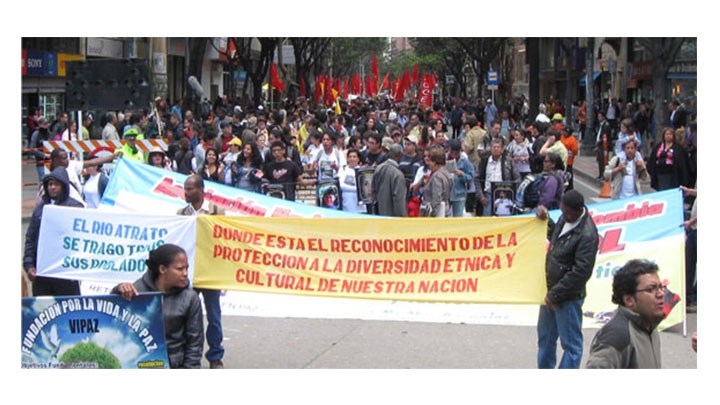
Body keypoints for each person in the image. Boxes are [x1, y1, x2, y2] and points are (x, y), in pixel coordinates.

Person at [112, 243, 204, 369]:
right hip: (138, 364)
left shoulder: (190, 298)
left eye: (186, 268)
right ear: (162, 269)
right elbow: (111, 317)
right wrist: (119, 290)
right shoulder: (137, 292)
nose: (185, 273)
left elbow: (195, 344)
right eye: (179, 269)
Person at [535, 190, 599, 369]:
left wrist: (555, 295)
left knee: (571, 345)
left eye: (568, 213)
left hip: (567, 296)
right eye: (562, 212)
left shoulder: (587, 234)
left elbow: (581, 272)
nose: (565, 215)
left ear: (579, 210)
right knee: (545, 339)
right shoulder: (567, 218)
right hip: (550, 290)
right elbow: (556, 238)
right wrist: (546, 221)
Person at [177, 175, 225, 369]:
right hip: (188, 273)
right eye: (185, 188)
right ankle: (189, 355)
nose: (186, 192)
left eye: (190, 189)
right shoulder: (181, 213)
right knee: (187, 315)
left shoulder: (216, 211)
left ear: (200, 189)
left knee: (213, 315)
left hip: (210, 271)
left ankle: (215, 356)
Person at [585, 259, 664, 369]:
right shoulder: (617, 336)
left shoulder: (649, 326)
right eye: (651, 289)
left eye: (661, 287)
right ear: (629, 300)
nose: (661, 294)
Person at [24, 167, 84, 296]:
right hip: (42, 274)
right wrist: (29, 265)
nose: (52, 187)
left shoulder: (75, 208)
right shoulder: (40, 209)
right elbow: (30, 238)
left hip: (65, 274)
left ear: (64, 186)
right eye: (50, 184)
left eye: (56, 184)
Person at [473, 138, 521, 217]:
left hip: (504, 195)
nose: (496, 149)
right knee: (488, 222)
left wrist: (511, 193)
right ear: (491, 149)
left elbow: (517, 178)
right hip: (488, 195)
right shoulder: (484, 162)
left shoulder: (509, 161)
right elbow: (477, 179)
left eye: (498, 147)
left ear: (502, 149)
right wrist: (481, 196)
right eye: (494, 147)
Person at [647, 126, 690, 191]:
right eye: (666, 134)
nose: (668, 136)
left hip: (672, 174)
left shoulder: (678, 148)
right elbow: (653, 159)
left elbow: (682, 162)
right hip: (660, 174)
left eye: (670, 134)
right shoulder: (658, 146)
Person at [371, 143, 407, 217]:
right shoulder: (398, 175)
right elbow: (399, 199)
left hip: (379, 214)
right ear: (400, 155)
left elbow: (373, 191)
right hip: (393, 218)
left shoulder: (378, 168)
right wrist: (402, 217)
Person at [420, 145, 452, 217]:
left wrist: (433, 214)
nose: (428, 164)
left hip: (436, 214)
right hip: (446, 210)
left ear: (435, 162)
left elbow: (436, 198)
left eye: (430, 161)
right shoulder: (446, 173)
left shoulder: (437, 176)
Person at [446, 139, 474, 217]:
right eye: (452, 152)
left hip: (459, 195)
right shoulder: (445, 158)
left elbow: (471, 177)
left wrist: (462, 174)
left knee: (457, 217)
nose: (453, 155)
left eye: (456, 153)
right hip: (446, 194)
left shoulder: (464, 161)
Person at [681, 185, 697, 311]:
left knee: (690, 263)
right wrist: (690, 192)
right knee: (688, 264)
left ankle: (693, 298)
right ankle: (689, 297)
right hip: (694, 229)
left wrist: (690, 222)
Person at [338, 148, 365, 214]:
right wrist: (356, 189)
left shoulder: (362, 171)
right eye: (350, 157)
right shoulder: (343, 169)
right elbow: (342, 185)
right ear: (347, 159)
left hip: (360, 206)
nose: (352, 159)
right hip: (346, 203)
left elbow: (364, 188)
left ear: (358, 159)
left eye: (354, 157)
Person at [28, 116, 52, 181]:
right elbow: (32, 149)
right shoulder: (36, 134)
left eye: (47, 124)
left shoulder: (48, 133)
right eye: (44, 124)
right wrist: (44, 155)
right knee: (42, 179)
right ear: (39, 125)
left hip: (50, 160)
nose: (46, 126)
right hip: (40, 161)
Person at [595, 110, 612, 180]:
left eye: (600, 116)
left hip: (604, 145)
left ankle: (603, 174)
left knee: (603, 160)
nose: (599, 118)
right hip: (599, 145)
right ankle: (600, 174)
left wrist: (600, 141)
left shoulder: (606, 125)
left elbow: (606, 136)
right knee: (599, 160)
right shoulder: (600, 125)